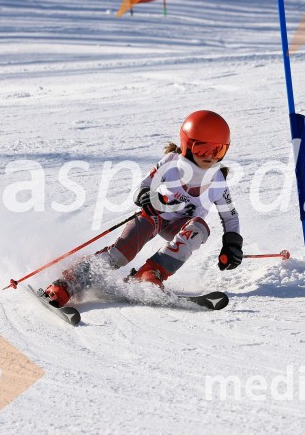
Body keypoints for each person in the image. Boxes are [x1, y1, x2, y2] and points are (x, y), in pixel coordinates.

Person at [43, 110, 243, 307]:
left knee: (199, 228)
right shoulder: (171, 163)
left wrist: (232, 244)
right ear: (187, 145)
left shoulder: (218, 181)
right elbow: (143, 186)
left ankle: (149, 274)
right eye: (202, 149)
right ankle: (68, 283)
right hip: (155, 216)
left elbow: (230, 217)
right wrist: (147, 196)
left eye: (218, 150)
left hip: (181, 227)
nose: (210, 156)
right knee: (121, 254)